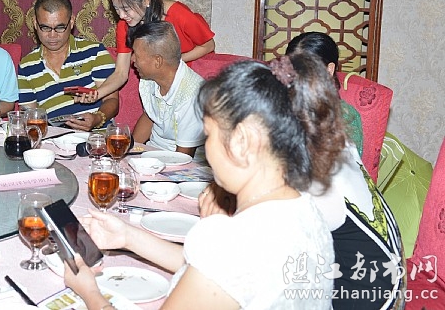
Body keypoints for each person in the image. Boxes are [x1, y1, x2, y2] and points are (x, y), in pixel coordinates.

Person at [65, 53, 345, 310]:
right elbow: (215, 272)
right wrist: (128, 237)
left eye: (209, 135)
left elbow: (222, 266)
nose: (206, 149)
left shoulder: (236, 239)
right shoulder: (304, 211)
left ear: (242, 142)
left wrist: (90, 292)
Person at [284, 32, 405, 310]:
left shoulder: (331, 127)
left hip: (366, 291)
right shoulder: (322, 126)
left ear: (329, 70)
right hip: (378, 274)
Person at [81, 0, 215, 103]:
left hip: (191, 78)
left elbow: (209, 45)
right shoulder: (124, 25)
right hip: (158, 82)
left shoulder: (177, 13)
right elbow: (120, 73)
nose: (121, 15)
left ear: (146, 1)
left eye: (126, 9)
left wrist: (172, 61)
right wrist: (96, 94)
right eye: (116, 9)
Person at [17, 0, 119, 131]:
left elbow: (112, 100)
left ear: (71, 22)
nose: (52, 35)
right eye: (45, 28)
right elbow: (29, 114)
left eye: (60, 27)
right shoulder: (26, 66)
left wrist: (97, 119)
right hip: (52, 139)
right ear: (35, 24)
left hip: (96, 136)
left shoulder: (95, 52)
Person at [130, 22, 204, 154]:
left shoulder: (192, 96)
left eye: (137, 55)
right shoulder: (150, 78)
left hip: (182, 160)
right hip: (152, 153)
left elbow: (184, 157)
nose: (132, 59)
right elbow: (150, 115)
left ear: (157, 61)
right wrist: (129, 151)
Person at [286, 32, 363, 156]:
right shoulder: (275, 105)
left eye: (306, 69)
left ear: (329, 70)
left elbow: (351, 163)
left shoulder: (346, 116)